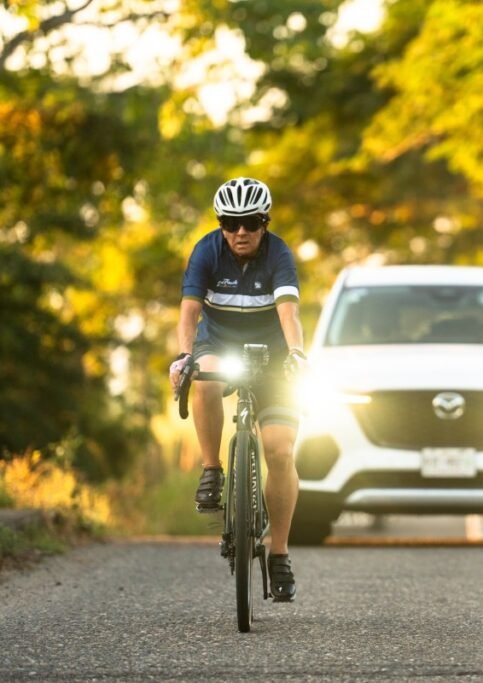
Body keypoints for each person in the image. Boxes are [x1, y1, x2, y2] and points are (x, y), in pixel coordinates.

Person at [168, 177, 306, 601]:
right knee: (205, 375)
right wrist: (183, 356)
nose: (240, 232)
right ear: (221, 224)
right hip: (219, 343)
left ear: (264, 224)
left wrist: (297, 354)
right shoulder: (206, 251)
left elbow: (289, 312)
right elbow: (190, 312)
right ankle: (212, 469)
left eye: (249, 223)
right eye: (230, 223)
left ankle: (278, 554)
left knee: (280, 451)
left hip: (272, 352)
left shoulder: (279, 254)